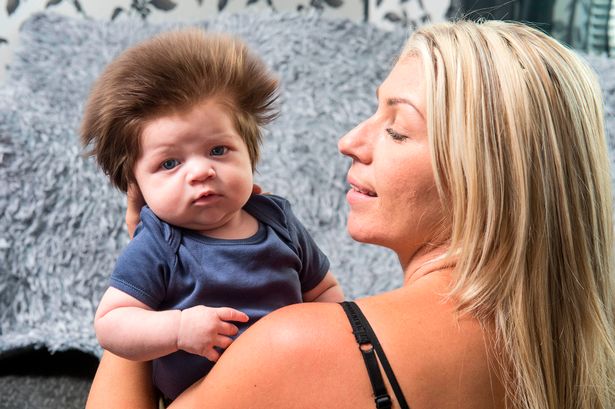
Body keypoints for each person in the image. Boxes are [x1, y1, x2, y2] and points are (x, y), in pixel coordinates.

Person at [85, 19, 615, 409]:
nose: (348, 142)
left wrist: (150, 254)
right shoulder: (577, 353)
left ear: (486, 174)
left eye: (397, 128)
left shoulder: (297, 346)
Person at [80, 29, 344, 402]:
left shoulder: (278, 221)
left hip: (295, 388)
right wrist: (177, 329)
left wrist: (333, 343)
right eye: (170, 163)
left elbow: (324, 290)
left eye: (218, 150)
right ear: (136, 185)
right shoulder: (161, 243)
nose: (200, 171)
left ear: (250, 154)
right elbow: (111, 324)